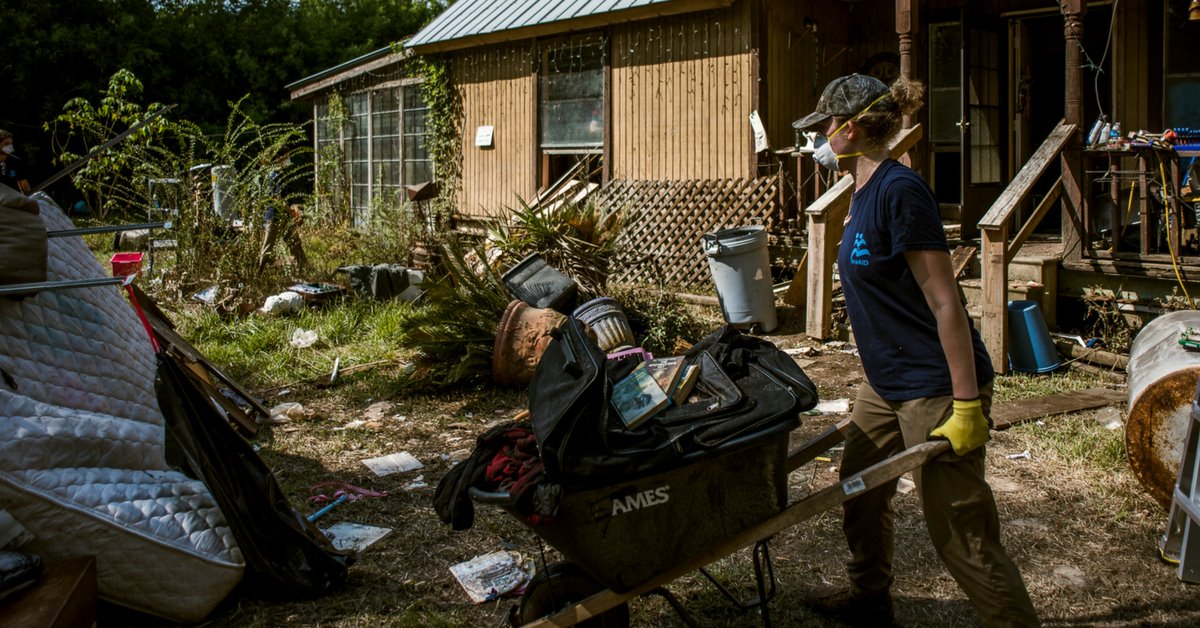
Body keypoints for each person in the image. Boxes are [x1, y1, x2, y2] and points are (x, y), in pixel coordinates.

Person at [794, 74, 1038, 627]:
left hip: (933, 386)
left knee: (961, 534)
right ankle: (869, 600)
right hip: (885, 384)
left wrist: (968, 404)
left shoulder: (899, 192)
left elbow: (945, 301)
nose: (822, 135)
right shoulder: (858, 194)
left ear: (851, 130)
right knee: (859, 490)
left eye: (828, 125)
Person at [0, 130, 32, 195]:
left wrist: (30, 198)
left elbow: (24, 184)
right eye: (6, 144)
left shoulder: (15, 161)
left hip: (13, 200)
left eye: (10, 144)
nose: (9, 147)